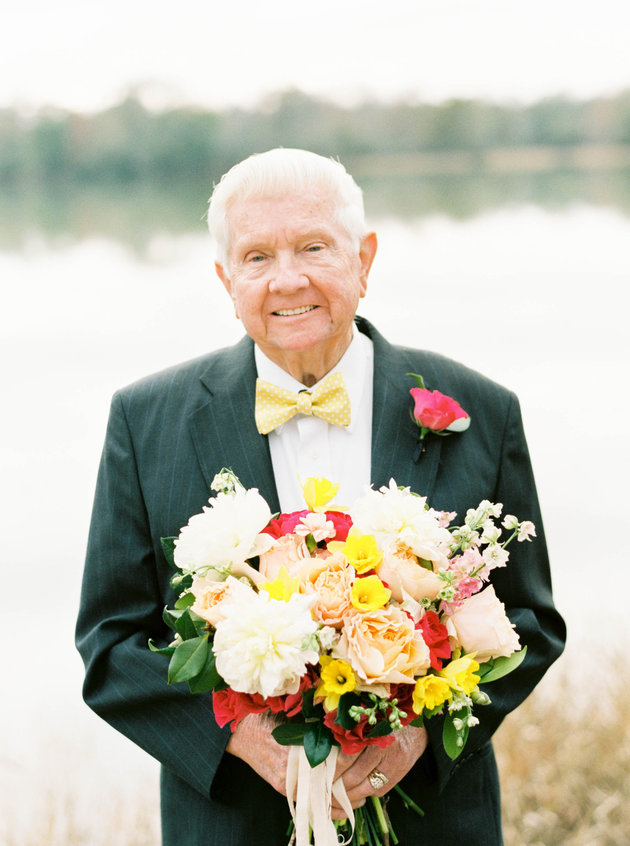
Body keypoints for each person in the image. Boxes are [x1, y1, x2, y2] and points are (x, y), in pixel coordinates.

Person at [76, 148, 565, 845]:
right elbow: (110, 643)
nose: (288, 279)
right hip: (232, 824)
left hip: (435, 823)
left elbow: (533, 623)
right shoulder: (145, 420)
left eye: (314, 247)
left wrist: (420, 735)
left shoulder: (479, 411)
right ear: (225, 279)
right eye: (256, 257)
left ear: (364, 260)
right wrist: (245, 737)